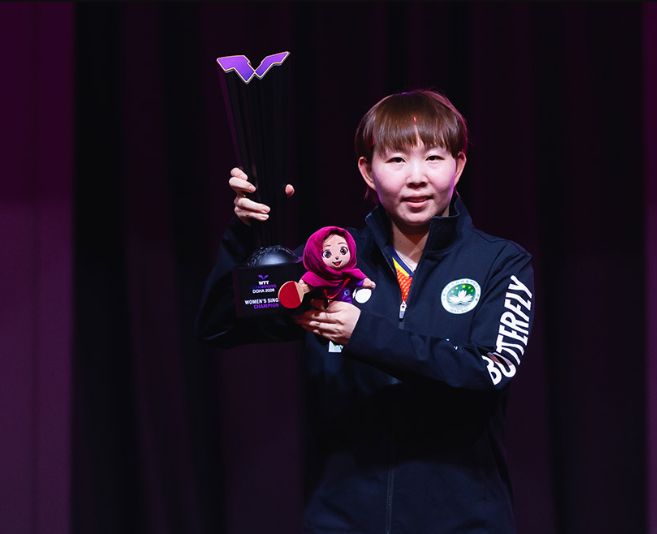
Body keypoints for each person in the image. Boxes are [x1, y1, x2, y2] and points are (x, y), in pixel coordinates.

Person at [197, 89, 535, 533]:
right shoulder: (328, 261)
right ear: (367, 171)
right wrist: (243, 232)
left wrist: (364, 334)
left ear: (459, 165)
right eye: (396, 160)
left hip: (465, 522)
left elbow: (489, 371)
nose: (416, 177)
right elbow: (219, 325)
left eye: (434, 158)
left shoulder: (500, 262)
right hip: (342, 521)